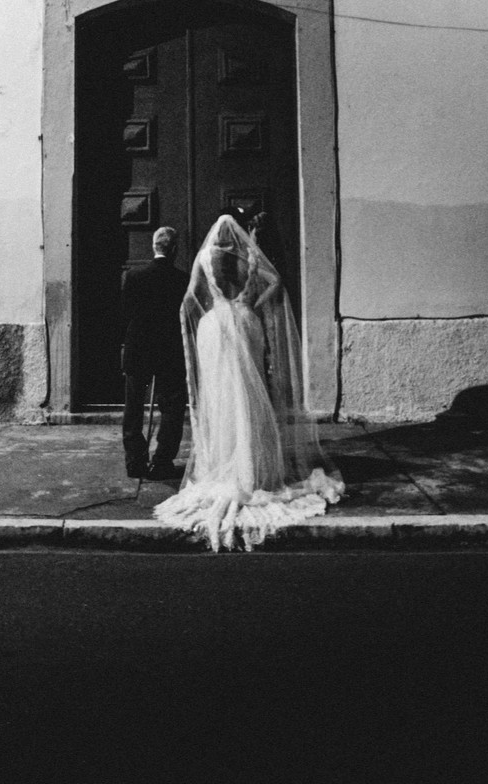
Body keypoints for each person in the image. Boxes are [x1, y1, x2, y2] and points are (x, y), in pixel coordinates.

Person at [153, 215, 343, 550]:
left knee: (223, 394)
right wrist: (250, 304)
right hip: (244, 320)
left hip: (215, 325)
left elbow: (189, 299)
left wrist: (198, 323)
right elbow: (275, 282)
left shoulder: (206, 257)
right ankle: (253, 469)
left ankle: (225, 463)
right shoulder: (250, 258)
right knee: (250, 393)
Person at [121, 225, 188, 480]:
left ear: (154, 247)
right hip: (169, 350)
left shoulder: (135, 277)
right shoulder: (182, 279)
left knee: (134, 406)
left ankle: (135, 462)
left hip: (139, 348)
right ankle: (162, 461)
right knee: (172, 407)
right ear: (173, 250)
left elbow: (125, 312)